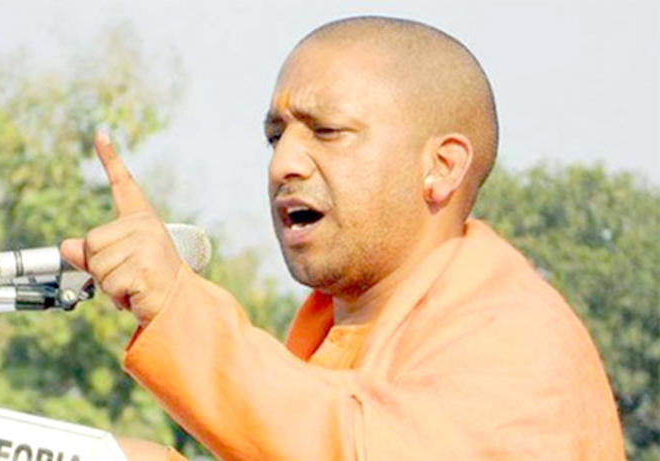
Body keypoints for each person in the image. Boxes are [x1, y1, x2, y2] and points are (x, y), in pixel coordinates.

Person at [62, 16, 626, 460]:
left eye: (327, 131)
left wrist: (177, 306)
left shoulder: (515, 335)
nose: (282, 163)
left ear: (442, 166)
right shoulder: (330, 333)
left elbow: (361, 449)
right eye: (275, 136)